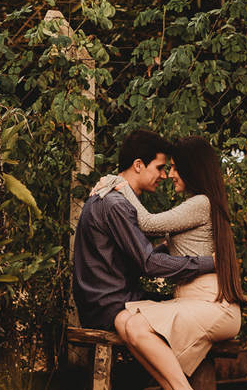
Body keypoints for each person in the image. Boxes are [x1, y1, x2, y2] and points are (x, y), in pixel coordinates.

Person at [94, 135, 247, 390]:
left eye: (175, 167)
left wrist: (119, 184)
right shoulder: (195, 206)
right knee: (125, 320)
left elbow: (148, 224)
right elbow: (153, 254)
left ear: (192, 168)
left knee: (136, 325)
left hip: (214, 304)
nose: (170, 175)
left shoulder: (200, 203)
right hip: (194, 302)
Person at [72, 129, 216, 335]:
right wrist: (209, 262)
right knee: (191, 316)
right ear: (139, 165)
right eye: (160, 168)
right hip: (110, 308)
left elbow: (138, 261)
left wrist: (168, 246)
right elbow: (148, 263)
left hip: (110, 301)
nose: (165, 175)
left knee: (185, 309)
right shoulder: (116, 204)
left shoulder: (116, 201)